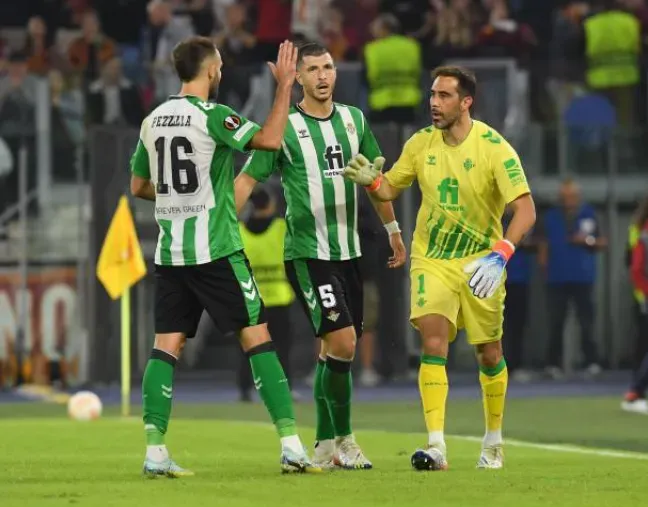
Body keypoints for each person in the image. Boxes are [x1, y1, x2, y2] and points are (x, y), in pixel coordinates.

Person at [129, 36, 320, 477]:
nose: (221, 72)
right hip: (216, 251)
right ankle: (291, 446)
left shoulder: (152, 120)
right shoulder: (214, 115)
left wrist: (181, 194)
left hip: (172, 253)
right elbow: (271, 140)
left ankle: (155, 452)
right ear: (210, 70)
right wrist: (285, 86)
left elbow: (139, 187)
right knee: (257, 338)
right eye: (220, 66)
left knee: (165, 348)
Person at [343, 66, 536, 470]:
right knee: (433, 343)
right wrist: (372, 183)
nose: (434, 102)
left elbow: (525, 210)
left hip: (481, 262)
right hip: (432, 259)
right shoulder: (420, 144)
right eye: (432, 94)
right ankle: (436, 446)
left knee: (488, 353)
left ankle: (494, 441)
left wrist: (501, 252)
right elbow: (391, 187)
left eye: (445, 95)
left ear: (466, 102)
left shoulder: (494, 147)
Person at [234, 42, 407, 470]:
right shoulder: (285, 128)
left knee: (333, 352)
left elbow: (374, 177)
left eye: (328, 66)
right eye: (312, 69)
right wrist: (216, 225)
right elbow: (246, 179)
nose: (323, 75)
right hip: (307, 254)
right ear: (300, 80)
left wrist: (394, 230)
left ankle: (323, 445)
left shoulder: (354, 120)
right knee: (345, 342)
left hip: (348, 251)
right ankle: (346, 440)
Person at [538, 178, 607, 378]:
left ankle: (592, 362)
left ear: (578, 196)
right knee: (555, 322)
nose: (568, 200)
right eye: (565, 196)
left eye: (572, 196)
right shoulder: (550, 216)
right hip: (556, 278)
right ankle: (553, 364)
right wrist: (544, 269)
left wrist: (587, 240)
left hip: (583, 277)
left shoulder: (589, 214)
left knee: (587, 322)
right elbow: (543, 244)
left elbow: (602, 241)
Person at [238, 187, 297, 402]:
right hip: (279, 296)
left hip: (251, 298)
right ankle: (284, 388)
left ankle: (246, 388)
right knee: (281, 348)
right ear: (270, 204)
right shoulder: (281, 228)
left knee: (251, 347)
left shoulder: (240, 231)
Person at [622, 196, 648, 414]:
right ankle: (636, 389)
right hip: (644, 291)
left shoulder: (637, 227)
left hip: (641, 291)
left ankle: (636, 387)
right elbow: (635, 264)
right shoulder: (642, 230)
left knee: (642, 341)